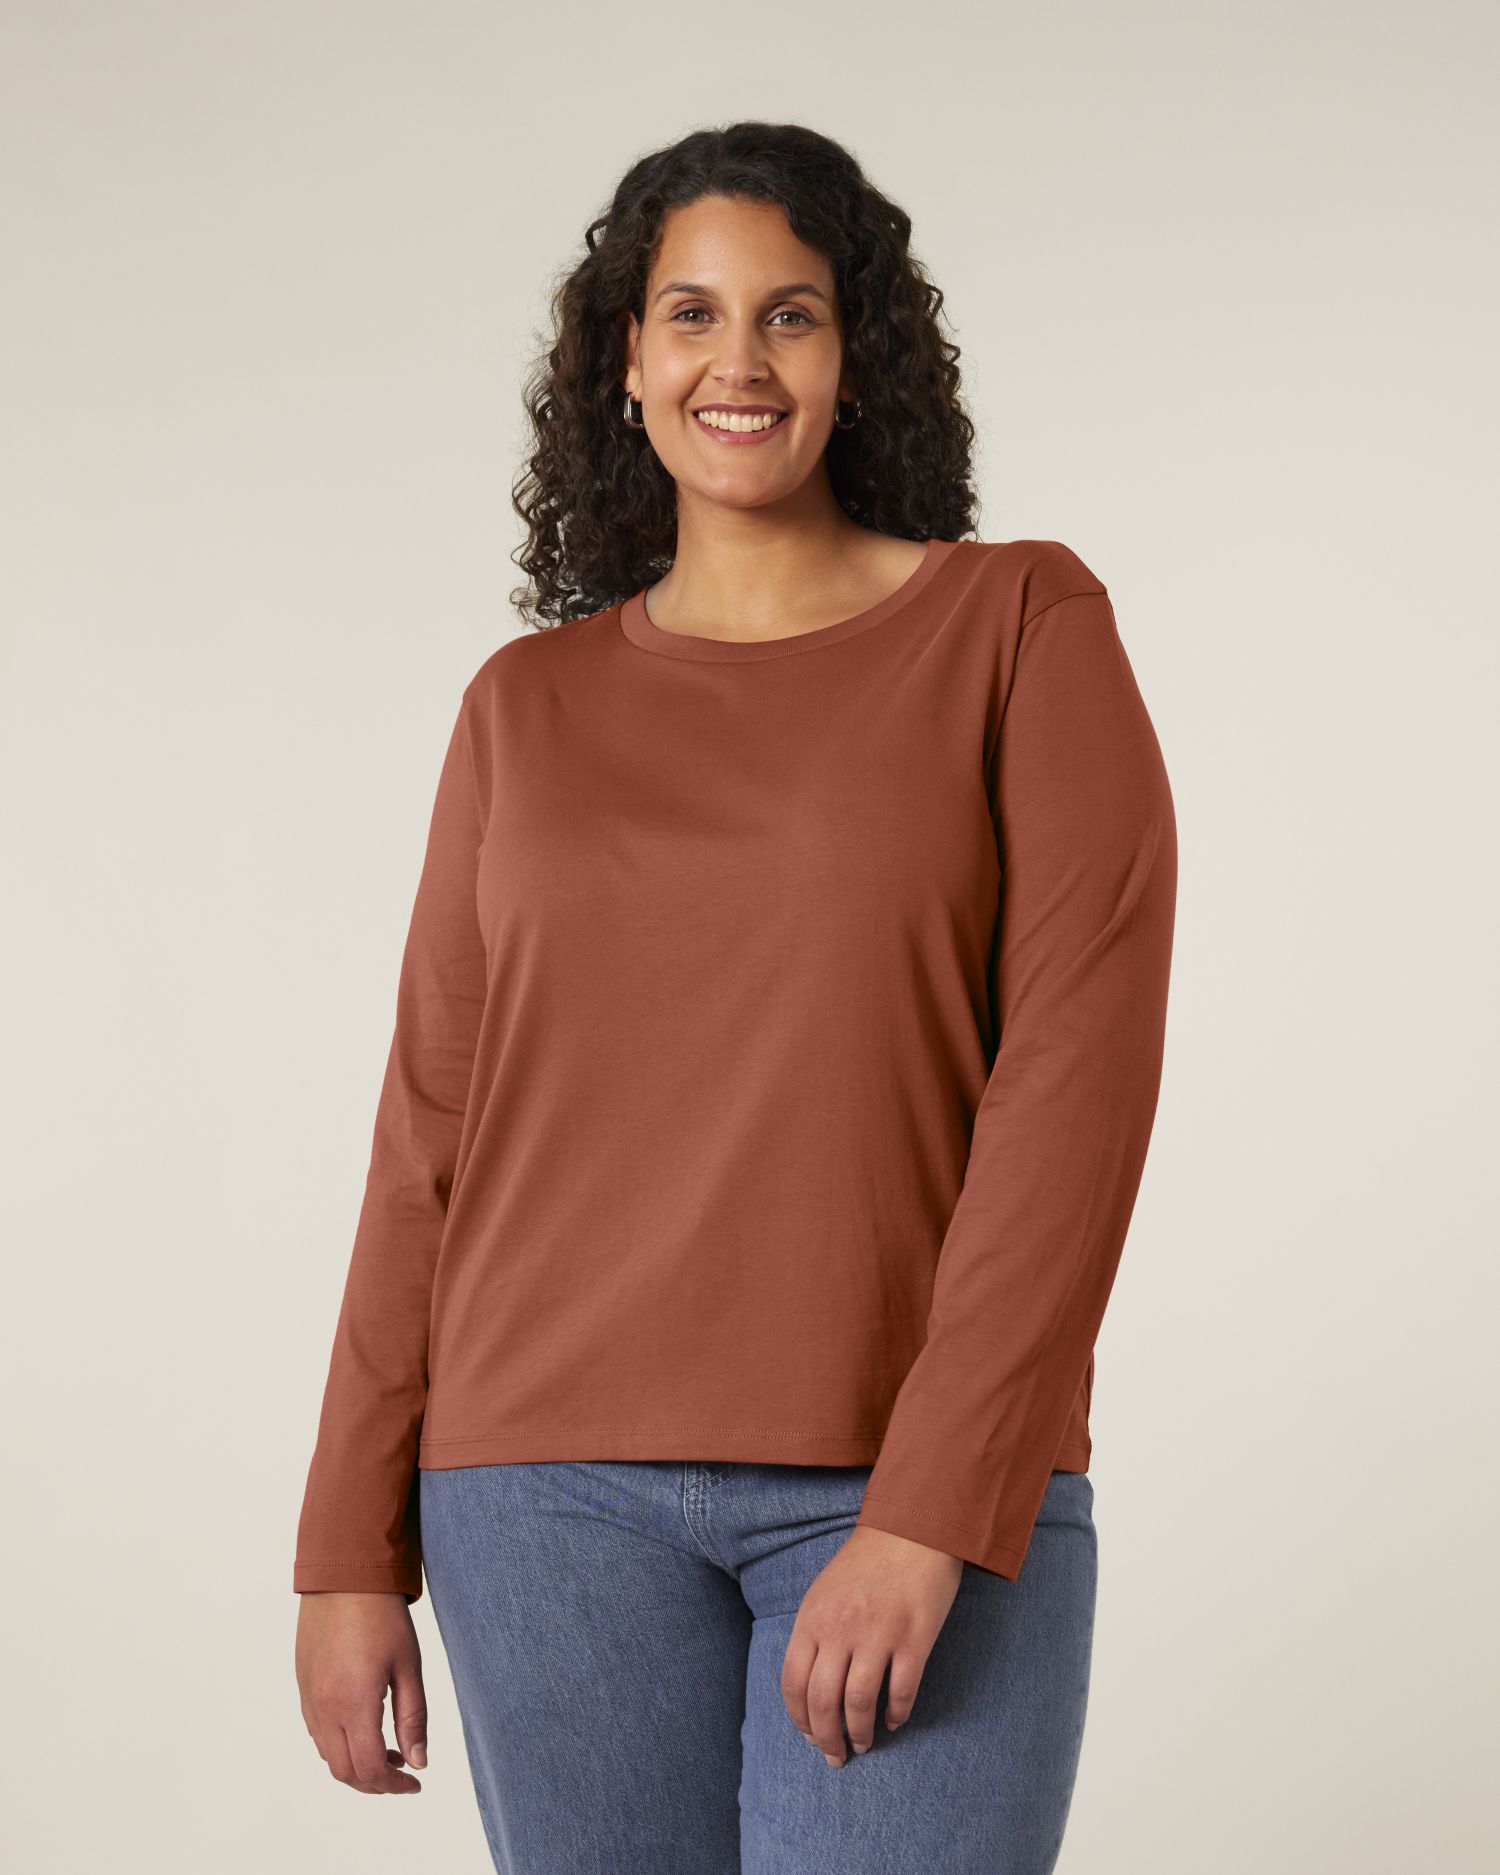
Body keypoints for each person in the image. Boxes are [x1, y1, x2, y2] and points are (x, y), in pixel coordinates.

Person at [292, 120, 1177, 1875]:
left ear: (858, 357)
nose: (740, 361)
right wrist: (344, 1546)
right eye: (691, 314)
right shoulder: (521, 709)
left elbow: (1074, 1092)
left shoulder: (1016, 626)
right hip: (539, 1493)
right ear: (626, 361)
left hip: (902, 1473)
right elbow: (430, 1134)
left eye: (792, 314)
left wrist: (932, 1510)